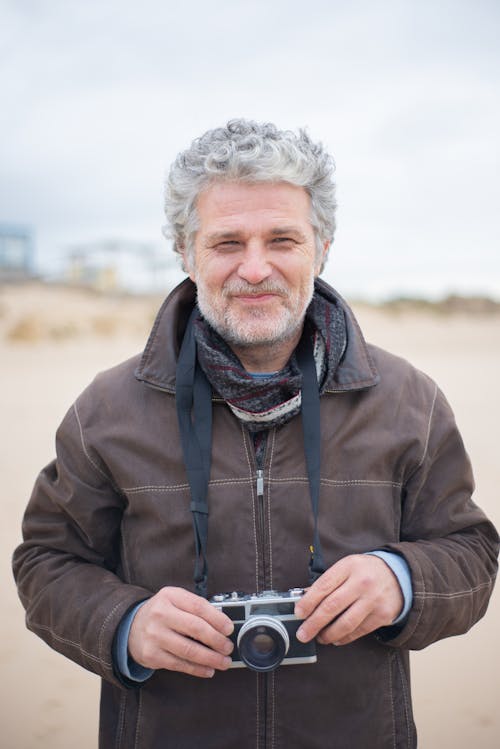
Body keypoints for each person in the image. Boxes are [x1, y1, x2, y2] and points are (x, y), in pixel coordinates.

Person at [13, 119, 498, 749]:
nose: (255, 268)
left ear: (322, 247)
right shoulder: (106, 410)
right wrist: (125, 623)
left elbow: (472, 553)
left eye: (282, 239)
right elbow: (47, 562)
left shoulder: (409, 400)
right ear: (185, 253)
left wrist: (401, 581)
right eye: (226, 243)